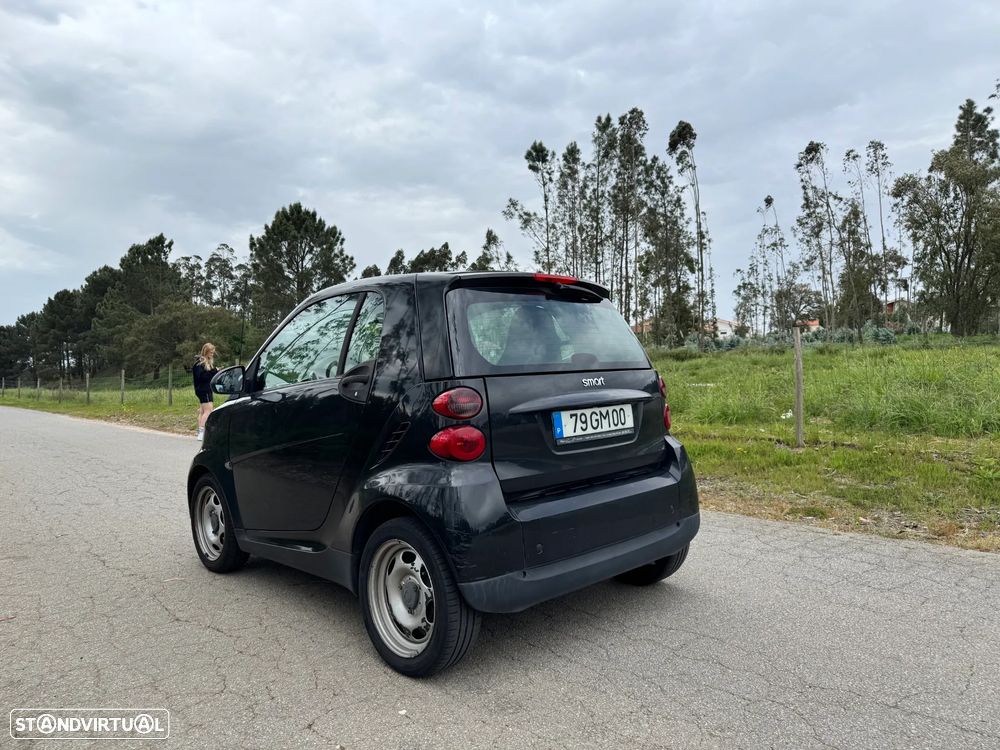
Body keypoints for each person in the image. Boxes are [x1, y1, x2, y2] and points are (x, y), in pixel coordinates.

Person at [192, 342, 218, 441]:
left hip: (203, 389)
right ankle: (202, 433)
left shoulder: (204, 362)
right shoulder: (200, 363)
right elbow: (202, 377)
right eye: (211, 352)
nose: (212, 354)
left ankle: (200, 431)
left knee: (203, 411)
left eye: (213, 352)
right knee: (208, 410)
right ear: (206, 351)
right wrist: (214, 371)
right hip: (203, 389)